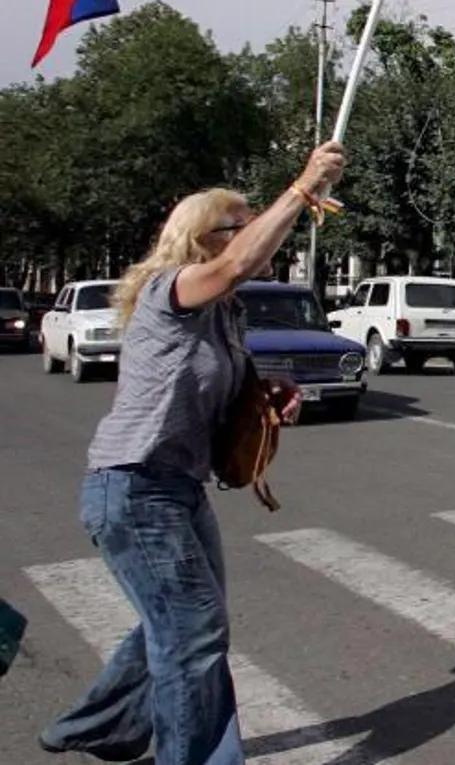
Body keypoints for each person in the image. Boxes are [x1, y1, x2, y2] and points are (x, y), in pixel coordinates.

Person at [39, 142, 345, 765]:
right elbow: (235, 265)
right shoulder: (170, 289)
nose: (255, 236)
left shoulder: (224, 312)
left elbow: (212, 380)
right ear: (203, 240)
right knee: (193, 634)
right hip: (133, 486)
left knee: (185, 624)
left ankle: (95, 725)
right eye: (240, 225)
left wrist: (265, 392)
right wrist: (303, 186)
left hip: (178, 488)